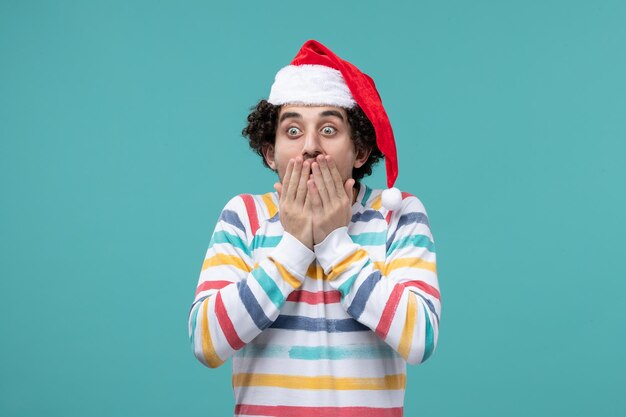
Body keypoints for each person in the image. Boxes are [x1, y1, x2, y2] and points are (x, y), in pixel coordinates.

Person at [188, 39, 441, 417]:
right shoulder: (243, 215)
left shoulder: (398, 215)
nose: (309, 147)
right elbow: (207, 343)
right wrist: (294, 245)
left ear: (359, 151)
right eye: (292, 131)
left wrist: (333, 242)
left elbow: (420, 339)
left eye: (328, 129)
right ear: (270, 152)